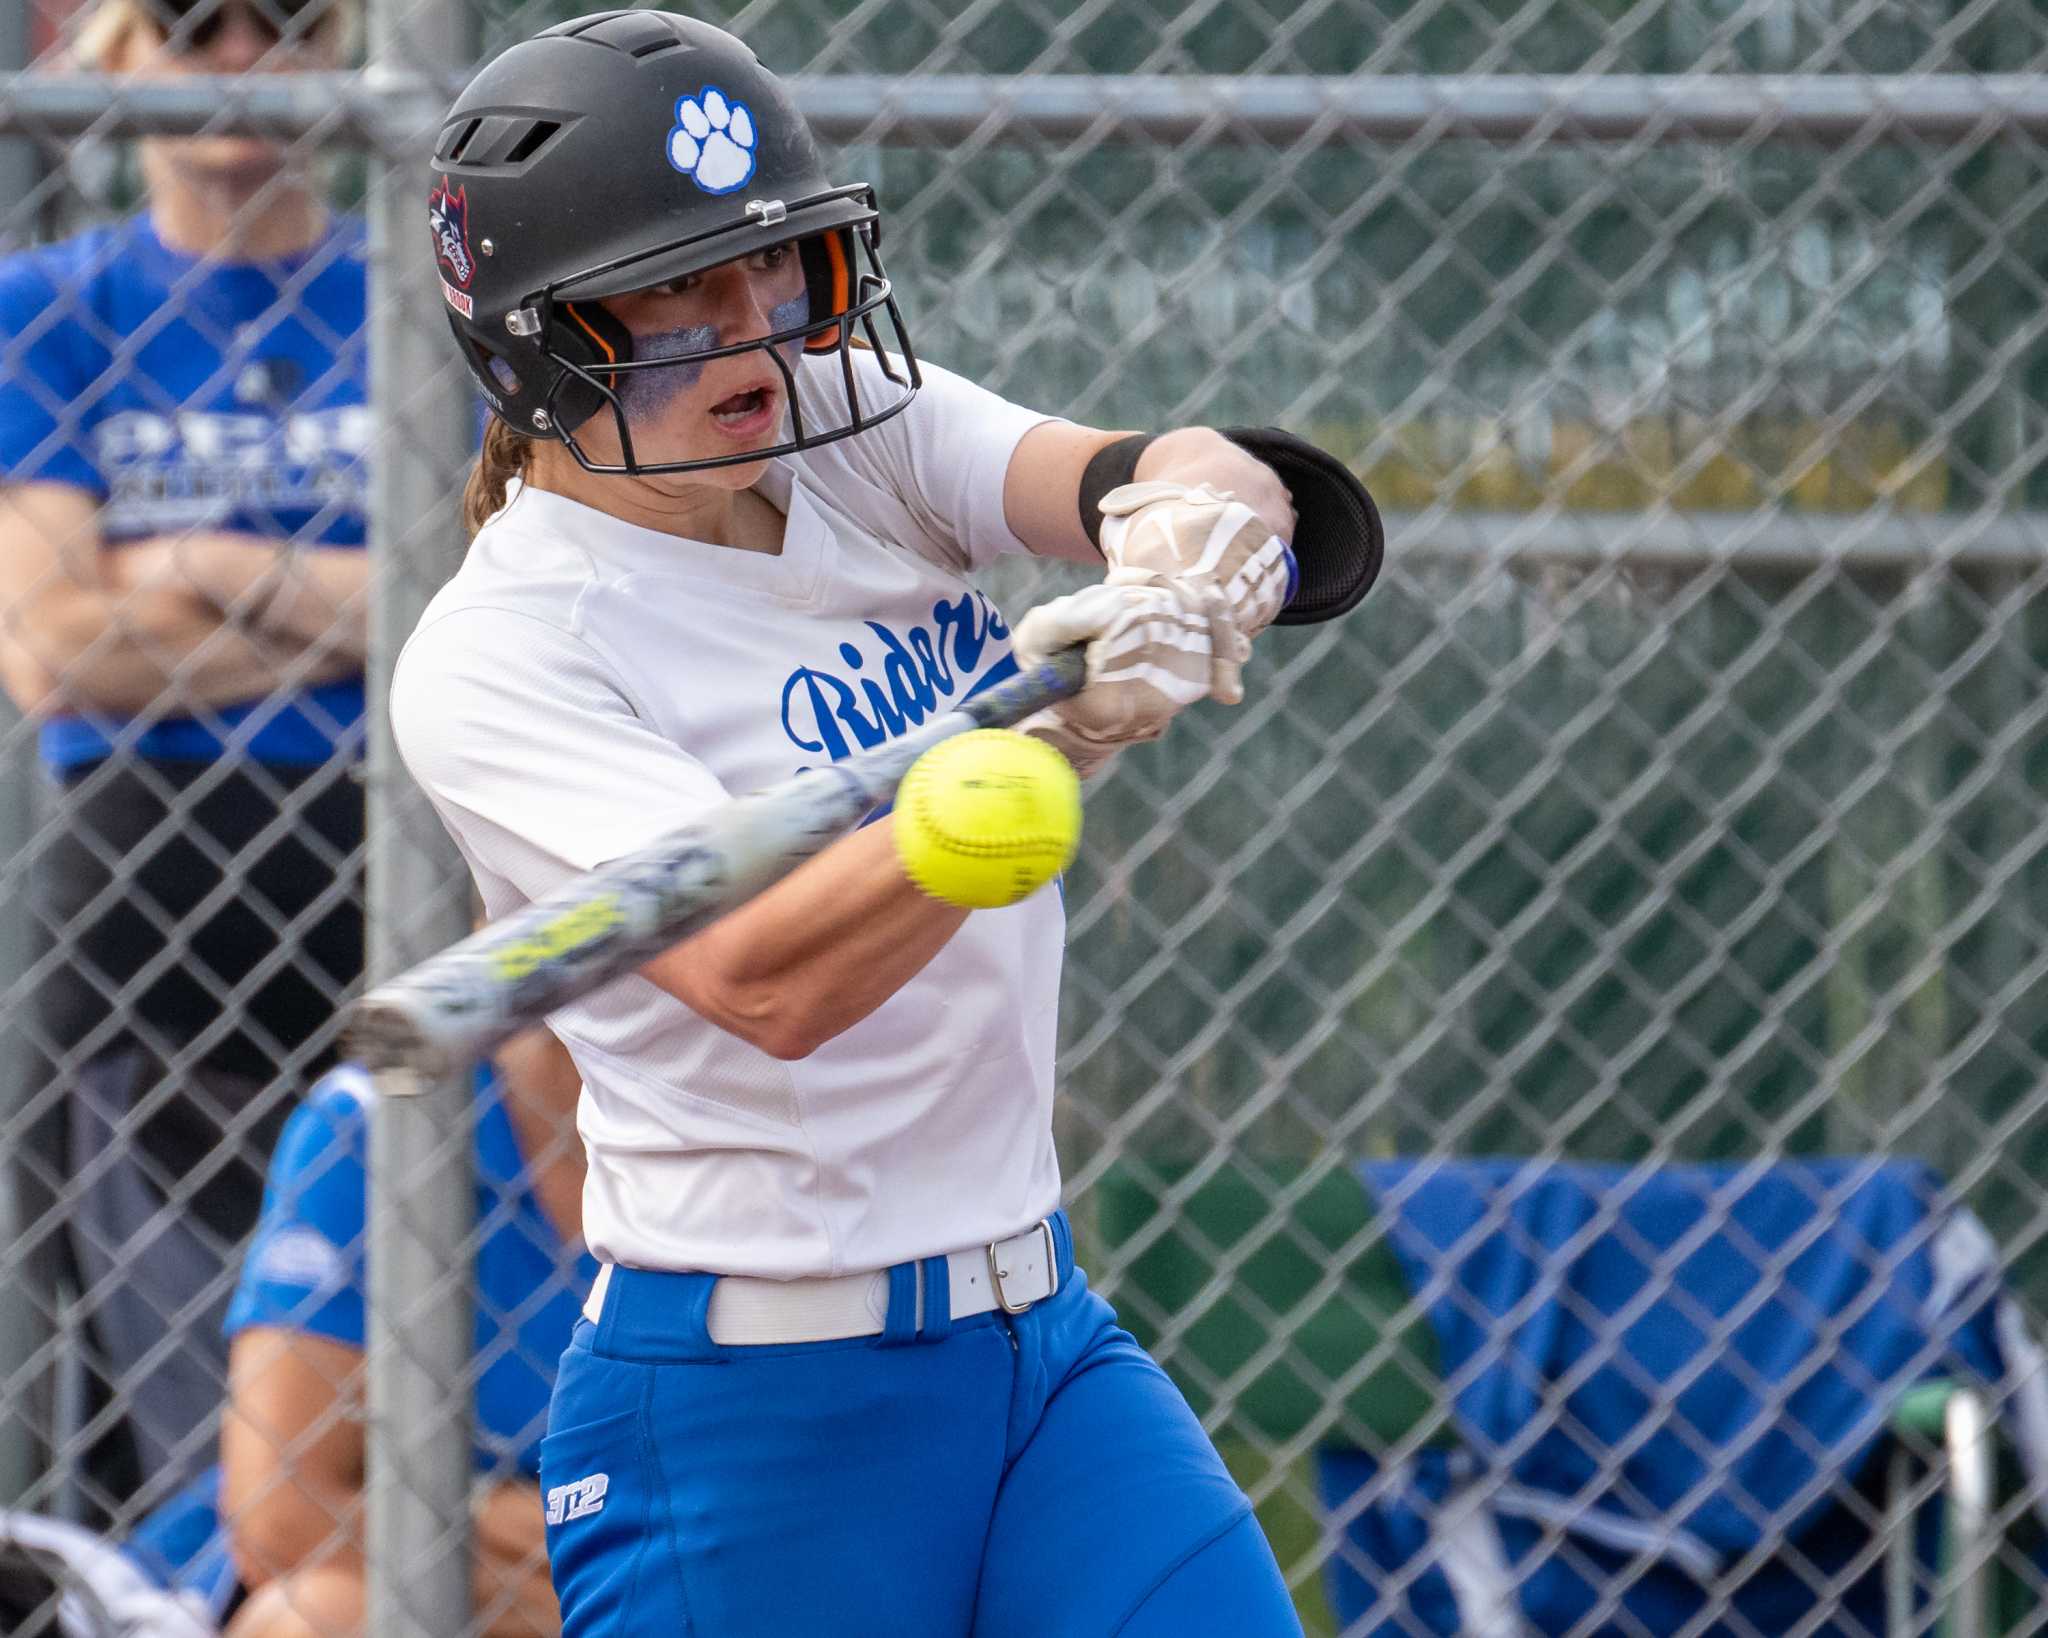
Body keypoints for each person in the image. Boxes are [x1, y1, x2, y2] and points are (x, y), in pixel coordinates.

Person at [392, 12, 1310, 1634]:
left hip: (1041, 1348)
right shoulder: (505, 651)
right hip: (751, 1414)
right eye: (676, 293)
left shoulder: (857, 430)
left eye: (776, 274)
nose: (754, 338)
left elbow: (1163, 467)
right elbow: (769, 983)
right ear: (534, 345)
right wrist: (1060, 747)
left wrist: (1186, 538)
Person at [0, 0, 370, 1522]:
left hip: (397, 871)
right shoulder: (50, 305)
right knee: (153, 1427)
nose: (239, 60)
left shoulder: (425, 298)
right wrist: (353, 608)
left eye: (284, 22)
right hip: (146, 908)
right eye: (195, 20)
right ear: (116, 53)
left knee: (409, 1408)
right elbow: (52, 653)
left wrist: (216, 564)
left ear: (351, 42)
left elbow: (494, 611)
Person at [117, 1022, 593, 1638]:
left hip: (637, 1577)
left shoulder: (741, 1127)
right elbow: (280, 1517)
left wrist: (460, 1512)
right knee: (315, 1618)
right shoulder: (375, 1118)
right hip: (533, 1603)